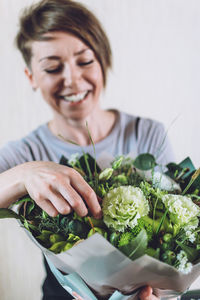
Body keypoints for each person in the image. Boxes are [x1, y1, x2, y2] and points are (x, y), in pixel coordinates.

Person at [0, 0, 175, 299]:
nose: (73, 79)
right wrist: (24, 174)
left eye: (84, 61)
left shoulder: (147, 135)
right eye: (53, 67)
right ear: (31, 76)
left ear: (103, 59)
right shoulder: (25, 152)